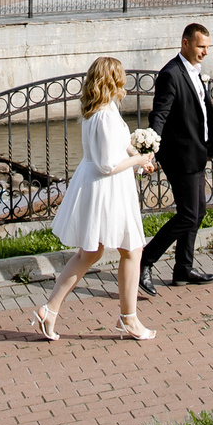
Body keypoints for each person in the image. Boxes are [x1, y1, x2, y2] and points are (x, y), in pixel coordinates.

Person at [36, 56, 156, 342]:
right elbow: (106, 164)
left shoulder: (101, 109)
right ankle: (129, 319)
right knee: (131, 249)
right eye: (121, 76)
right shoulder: (103, 114)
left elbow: (116, 148)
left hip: (103, 186)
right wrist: (138, 159)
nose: (125, 80)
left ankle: (50, 310)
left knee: (92, 252)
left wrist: (137, 156)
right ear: (113, 79)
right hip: (107, 188)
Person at [137, 23, 213, 297]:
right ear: (185, 44)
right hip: (180, 156)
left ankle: (183, 269)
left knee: (198, 212)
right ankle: (144, 261)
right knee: (187, 215)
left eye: (207, 47)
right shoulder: (171, 74)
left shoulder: (194, 72)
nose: (205, 52)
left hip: (197, 152)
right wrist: (150, 146)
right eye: (200, 46)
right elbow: (159, 114)